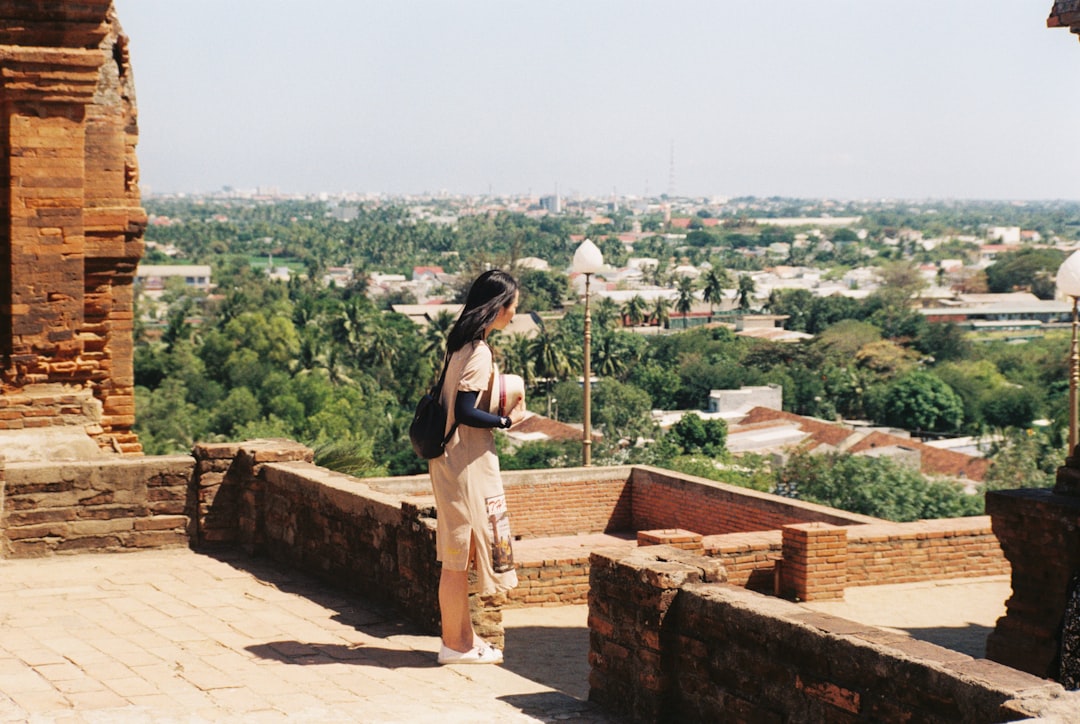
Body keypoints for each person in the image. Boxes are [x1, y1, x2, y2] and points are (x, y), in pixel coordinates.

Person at [428, 269, 525, 665]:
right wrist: (504, 421)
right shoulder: (479, 352)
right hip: (464, 461)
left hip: (452, 457)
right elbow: (466, 411)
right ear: (497, 308)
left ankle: (463, 641)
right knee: (457, 556)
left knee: (460, 554)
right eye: (513, 308)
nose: (514, 316)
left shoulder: (460, 344)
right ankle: (455, 645)